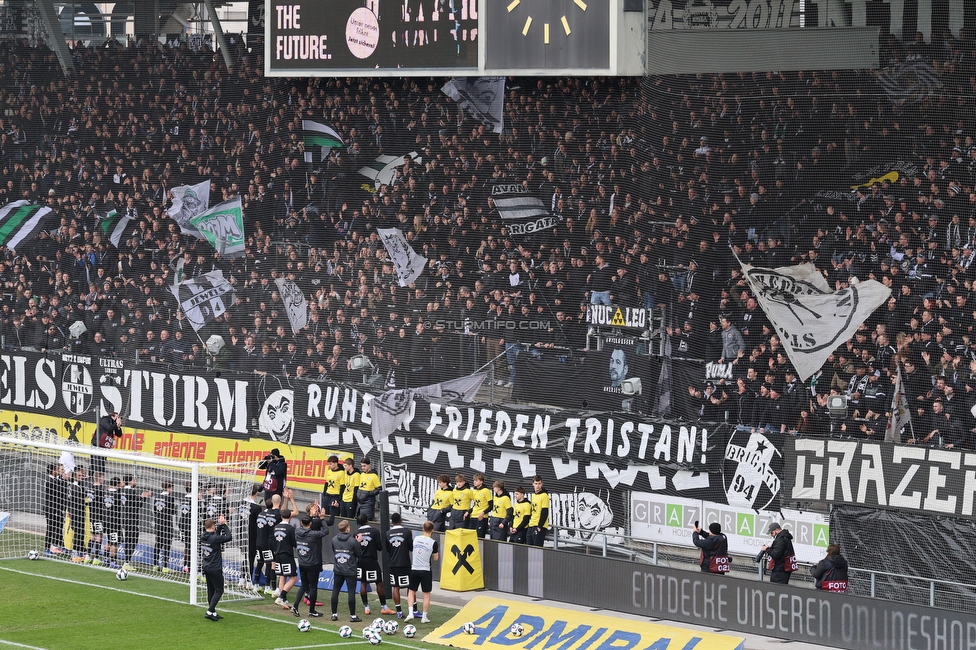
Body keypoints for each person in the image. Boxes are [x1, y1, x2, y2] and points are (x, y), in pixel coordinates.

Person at [355, 513, 394, 615]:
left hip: (360, 560)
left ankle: (366, 607)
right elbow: (380, 547)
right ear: (367, 520)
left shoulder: (356, 532)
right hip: (371, 560)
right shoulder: (374, 531)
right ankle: (384, 607)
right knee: (379, 583)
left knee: (363, 582)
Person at [292, 513, 328, 618]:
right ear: (311, 524)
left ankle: (295, 606)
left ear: (301, 523)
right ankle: (312, 610)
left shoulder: (297, 531)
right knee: (313, 587)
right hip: (312, 564)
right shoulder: (313, 534)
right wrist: (322, 519)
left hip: (302, 563)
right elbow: (326, 531)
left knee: (304, 586)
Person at [330, 519, 363, 622]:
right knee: (351, 593)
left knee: (335, 591)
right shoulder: (353, 541)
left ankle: (334, 614)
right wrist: (358, 543)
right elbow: (359, 555)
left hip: (338, 569)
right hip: (350, 570)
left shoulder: (334, 539)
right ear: (348, 528)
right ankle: (352, 616)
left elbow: (334, 551)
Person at [405, 520, 439, 624]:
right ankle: (424, 617)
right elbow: (436, 558)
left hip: (414, 569)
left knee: (411, 592)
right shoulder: (433, 543)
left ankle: (411, 612)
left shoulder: (416, 539)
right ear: (432, 530)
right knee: (426, 595)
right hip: (425, 570)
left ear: (423, 529)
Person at [201, 514, 232, 621]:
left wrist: (219, 526)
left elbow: (216, 536)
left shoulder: (203, 536)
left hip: (206, 566)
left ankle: (213, 612)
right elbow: (229, 537)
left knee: (211, 589)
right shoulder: (214, 538)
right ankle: (209, 611)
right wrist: (224, 525)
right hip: (215, 567)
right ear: (213, 527)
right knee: (219, 590)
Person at [385, 512, 413, 618]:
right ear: (401, 520)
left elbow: (388, 549)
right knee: (410, 587)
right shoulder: (406, 532)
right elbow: (411, 547)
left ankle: (399, 611)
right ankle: (413, 610)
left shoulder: (387, 534)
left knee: (395, 587)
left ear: (392, 522)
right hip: (405, 563)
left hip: (393, 564)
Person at [146, 480, 177, 572]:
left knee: (158, 544)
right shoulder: (170, 498)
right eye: (171, 488)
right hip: (167, 524)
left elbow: (155, 510)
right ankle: (165, 566)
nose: (172, 490)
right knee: (167, 545)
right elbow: (172, 512)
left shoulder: (157, 497)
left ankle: (155, 565)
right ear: (169, 488)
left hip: (158, 523)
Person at [254, 493, 282, 594]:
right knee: (269, 564)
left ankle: (256, 584)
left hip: (258, 542)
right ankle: (267, 586)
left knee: (259, 563)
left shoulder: (261, 514)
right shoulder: (270, 515)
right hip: (266, 543)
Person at [272, 507, 297, 609]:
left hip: (277, 554)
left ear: (281, 516)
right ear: (290, 516)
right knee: (294, 578)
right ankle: (281, 597)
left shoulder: (276, 527)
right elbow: (294, 543)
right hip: (286, 554)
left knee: (282, 576)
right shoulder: (291, 529)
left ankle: (284, 600)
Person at [527, 475, 550, 547]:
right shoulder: (534, 495)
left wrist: (540, 526)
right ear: (533, 484)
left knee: (537, 549)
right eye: (536, 483)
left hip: (539, 525)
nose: (537, 486)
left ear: (542, 484)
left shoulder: (544, 495)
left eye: (539, 483)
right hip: (531, 524)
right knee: (529, 548)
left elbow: (545, 511)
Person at [322, 455, 344, 526]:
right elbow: (326, 483)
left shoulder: (341, 473)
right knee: (324, 511)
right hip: (328, 495)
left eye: (330, 464)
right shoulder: (329, 472)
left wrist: (339, 499)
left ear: (336, 463)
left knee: (333, 513)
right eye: (328, 464)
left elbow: (342, 486)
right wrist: (324, 493)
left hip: (335, 496)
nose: (329, 466)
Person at [469, 473, 492, 538]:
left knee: (479, 537)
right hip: (473, 516)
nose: (474, 482)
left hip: (481, 517)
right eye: (474, 480)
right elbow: (475, 504)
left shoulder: (486, 491)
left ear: (481, 481)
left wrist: (483, 513)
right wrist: (469, 511)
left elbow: (491, 506)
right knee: (471, 536)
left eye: (476, 480)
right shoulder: (474, 491)